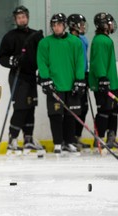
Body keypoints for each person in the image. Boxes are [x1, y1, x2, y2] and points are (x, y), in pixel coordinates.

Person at [0, 5, 44, 156]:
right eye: (19, 17)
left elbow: (42, 56)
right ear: (15, 20)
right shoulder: (10, 36)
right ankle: (13, 140)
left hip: (31, 75)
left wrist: (42, 73)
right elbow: (2, 58)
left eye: (23, 16)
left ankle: (28, 139)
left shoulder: (36, 35)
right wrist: (13, 60)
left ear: (27, 17)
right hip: (17, 76)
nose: (21, 19)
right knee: (21, 107)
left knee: (31, 107)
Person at [37, 13, 85, 154]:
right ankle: (58, 142)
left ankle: (69, 142)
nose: (56, 27)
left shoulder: (75, 42)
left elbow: (79, 62)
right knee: (55, 114)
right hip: (55, 85)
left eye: (58, 24)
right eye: (54, 25)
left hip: (70, 84)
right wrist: (45, 78)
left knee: (71, 115)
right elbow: (42, 62)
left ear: (64, 25)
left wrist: (79, 79)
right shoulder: (45, 43)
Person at [89, 12, 118, 152]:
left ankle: (111, 137)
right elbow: (98, 61)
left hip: (112, 82)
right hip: (104, 82)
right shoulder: (100, 40)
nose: (112, 24)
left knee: (114, 110)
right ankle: (99, 138)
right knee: (104, 110)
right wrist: (102, 78)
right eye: (110, 22)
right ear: (104, 24)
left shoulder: (106, 39)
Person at [67, 14, 91, 151]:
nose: (83, 26)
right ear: (73, 26)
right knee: (73, 109)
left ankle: (76, 136)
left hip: (83, 77)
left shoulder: (83, 39)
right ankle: (69, 138)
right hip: (73, 79)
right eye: (80, 24)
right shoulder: (69, 40)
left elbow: (84, 60)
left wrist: (85, 75)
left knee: (84, 108)